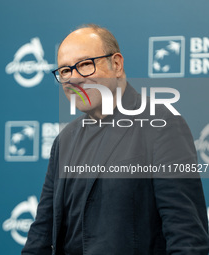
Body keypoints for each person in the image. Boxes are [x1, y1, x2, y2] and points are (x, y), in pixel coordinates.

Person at [22, 24, 209, 255]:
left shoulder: (162, 124)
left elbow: (187, 238)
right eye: (65, 71)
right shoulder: (64, 140)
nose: (74, 79)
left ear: (117, 64)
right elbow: (41, 233)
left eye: (85, 65)